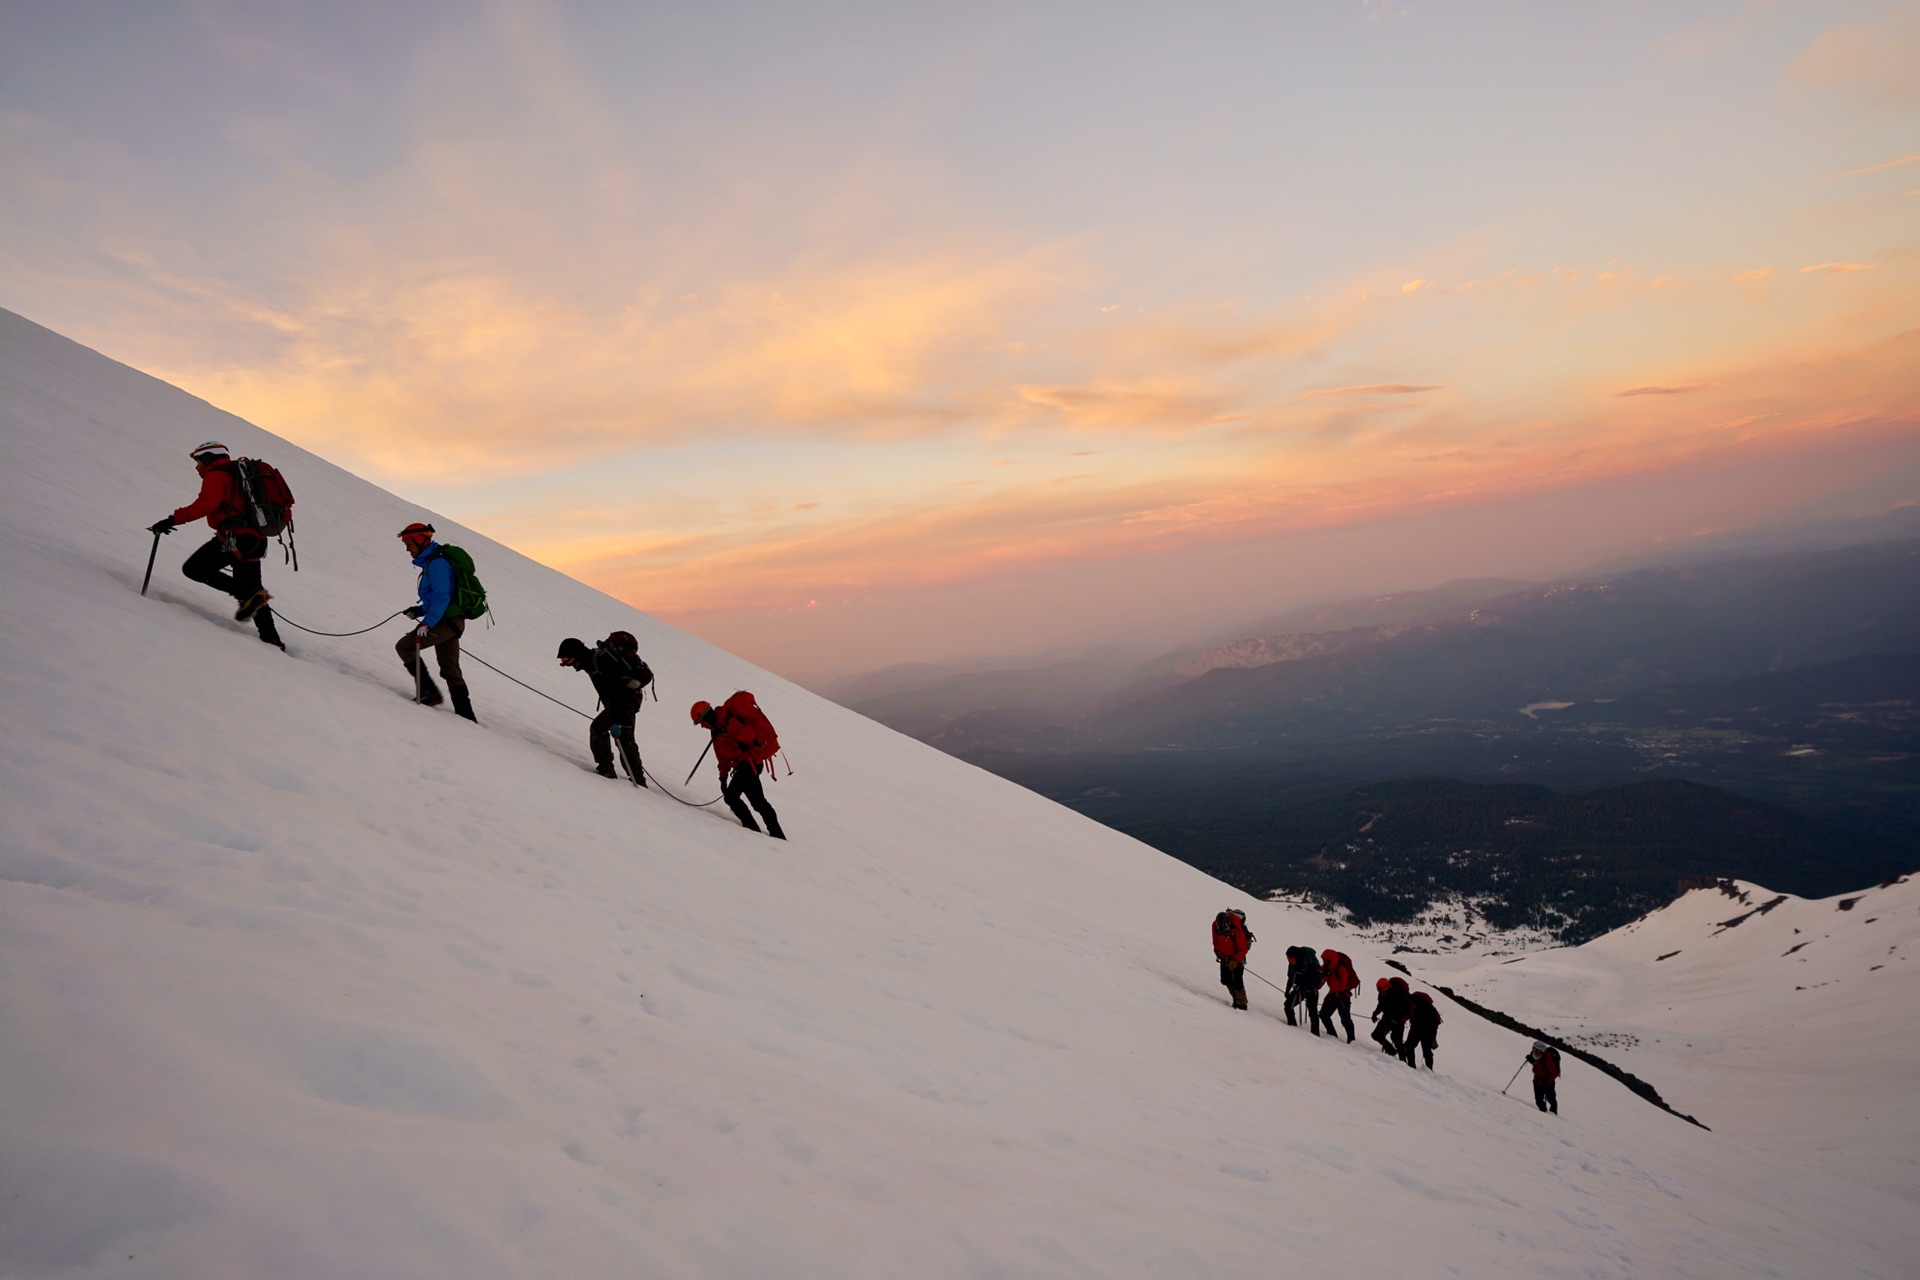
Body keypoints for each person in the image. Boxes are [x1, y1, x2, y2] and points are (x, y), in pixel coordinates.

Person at [149, 441, 285, 650]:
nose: (197, 467)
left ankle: (252, 603)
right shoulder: (236, 476)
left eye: (199, 462)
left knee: (194, 569)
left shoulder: (217, 476)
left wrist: (172, 519)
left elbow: (204, 506)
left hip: (233, 540)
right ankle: (272, 640)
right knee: (253, 591)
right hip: (255, 540)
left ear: (209, 459)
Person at [394, 522, 476, 721]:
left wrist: (427, 623)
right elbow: (439, 598)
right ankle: (466, 717)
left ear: (421, 540)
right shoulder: (434, 562)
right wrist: (420, 610)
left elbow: (442, 598)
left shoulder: (437, 564)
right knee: (450, 669)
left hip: (444, 622)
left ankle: (429, 694)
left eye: (409, 543)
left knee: (405, 647)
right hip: (451, 621)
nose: (407, 548)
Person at [691, 693, 785, 838]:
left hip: (751, 763)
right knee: (758, 802)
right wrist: (723, 779)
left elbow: (751, 738)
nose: (702, 726)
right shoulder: (716, 732)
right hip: (745, 766)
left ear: (705, 716)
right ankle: (776, 835)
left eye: (701, 722)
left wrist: (730, 731)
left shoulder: (729, 721)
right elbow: (722, 758)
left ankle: (753, 830)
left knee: (731, 797)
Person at [558, 637, 647, 785]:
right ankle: (638, 778)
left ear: (576, 654)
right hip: (628, 700)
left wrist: (617, 720)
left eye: (567, 660)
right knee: (625, 738)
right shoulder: (593, 662)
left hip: (624, 702)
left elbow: (618, 690)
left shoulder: (599, 661)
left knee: (598, 729)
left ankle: (607, 770)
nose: (567, 665)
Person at [1211, 910, 1252, 1010]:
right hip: (1225, 957)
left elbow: (1243, 949)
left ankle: (1242, 1004)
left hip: (1237, 958)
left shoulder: (1236, 929)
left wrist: (1235, 960)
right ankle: (1236, 999)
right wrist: (1219, 954)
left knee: (1237, 981)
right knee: (1225, 979)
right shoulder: (1215, 927)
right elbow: (1216, 942)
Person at [1318, 948, 1359, 1043]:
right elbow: (1320, 978)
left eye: (1324, 960)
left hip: (1343, 996)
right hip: (1333, 995)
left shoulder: (1341, 969)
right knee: (1323, 1015)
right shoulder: (1326, 967)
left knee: (1345, 1020)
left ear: (1329, 960)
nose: (1323, 961)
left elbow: (1341, 987)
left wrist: (1328, 974)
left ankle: (1352, 1040)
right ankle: (1332, 1036)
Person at [1284, 946, 1326, 1035]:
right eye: (1288, 958)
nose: (1289, 960)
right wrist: (1287, 990)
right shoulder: (1292, 965)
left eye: (1290, 958)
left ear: (1295, 957)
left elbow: (1311, 981)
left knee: (1312, 1012)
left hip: (1311, 990)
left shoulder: (1307, 965)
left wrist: (1302, 989)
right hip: (1300, 989)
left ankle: (1315, 1034)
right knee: (1288, 1005)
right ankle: (1292, 1028)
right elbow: (1290, 978)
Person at [1370, 976, 1410, 1056]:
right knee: (1376, 1035)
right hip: (1387, 1018)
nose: (1380, 992)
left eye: (1381, 990)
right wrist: (1375, 1013)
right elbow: (1381, 1004)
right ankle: (1391, 1051)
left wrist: (1395, 1018)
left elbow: (1405, 1009)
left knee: (1397, 1041)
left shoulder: (1398, 994)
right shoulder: (1382, 993)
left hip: (1398, 1021)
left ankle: (1403, 1062)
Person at [1402, 990, 1442, 1069]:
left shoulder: (1417, 1004)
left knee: (1409, 1047)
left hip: (1420, 1029)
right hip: (1427, 1030)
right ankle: (1429, 1070)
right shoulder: (1424, 1005)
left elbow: (1415, 1018)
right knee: (1426, 1051)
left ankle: (1411, 1067)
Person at [1528, 1041, 1561, 1114]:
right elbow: (1537, 1066)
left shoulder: (1548, 1059)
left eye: (1535, 1049)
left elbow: (1554, 1074)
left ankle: (1553, 1112)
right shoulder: (1535, 1056)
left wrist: (1548, 1082)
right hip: (1537, 1081)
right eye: (1533, 1048)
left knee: (1551, 1098)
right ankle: (1543, 1113)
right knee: (1538, 1100)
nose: (1533, 1050)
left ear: (1540, 1050)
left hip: (1547, 1083)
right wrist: (1531, 1061)